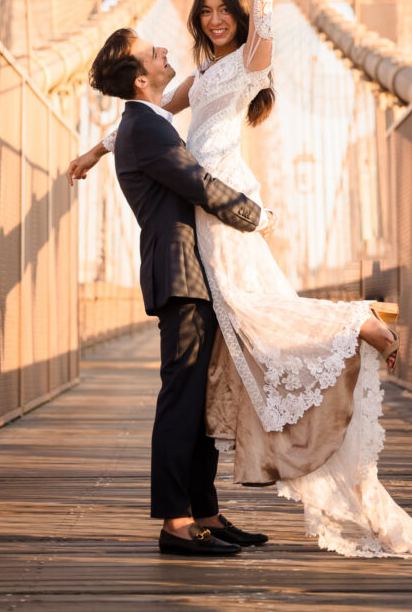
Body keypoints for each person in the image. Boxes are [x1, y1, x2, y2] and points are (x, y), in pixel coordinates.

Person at [69, 0, 412, 559]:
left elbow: (261, 2)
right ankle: (199, 514)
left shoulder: (251, 56)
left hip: (223, 199)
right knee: (240, 334)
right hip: (209, 210)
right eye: (202, 12)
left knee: (259, 312)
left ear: (238, 14)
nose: (212, 21)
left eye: (221, 10)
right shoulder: (192, 81)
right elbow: (140, 113)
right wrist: (94, 150)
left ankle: (353, 321)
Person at [81, 29, 273, 556]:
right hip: (182, 279)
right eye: (154, 52)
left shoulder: (142, 124)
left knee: (200, 400)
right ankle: (177, 524)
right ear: (142, 78)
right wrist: (255, 217)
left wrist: (93, 151)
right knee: (181, 403)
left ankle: (205, 514)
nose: (165, 50)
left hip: (197, 276)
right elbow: (198, 184)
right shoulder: (146, 128)